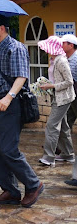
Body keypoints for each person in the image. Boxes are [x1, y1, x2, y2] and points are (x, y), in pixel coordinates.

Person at [0, 14, 43, 207]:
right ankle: (10, 191)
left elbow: (22, 76)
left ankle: (33, 184)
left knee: (8, 149)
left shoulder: (15, 48)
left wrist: (8, 97)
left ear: (2, 28)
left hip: (10, 103)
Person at [36, 36, 75, 166]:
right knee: (63, 127)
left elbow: (69, 82)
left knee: (51, 126)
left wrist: (51, 86)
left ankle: (49, 157)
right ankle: (68, 154)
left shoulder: (61, 61)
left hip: (63, 98)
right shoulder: (53, 60)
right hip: (57, 97)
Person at [60, 34, 77, 187]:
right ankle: (63, 150)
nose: (62, 45)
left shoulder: (75, 60)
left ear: (71, 45)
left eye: (64, 43)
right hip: (71, 97)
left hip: (74, 96)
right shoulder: (66, 59)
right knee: (65, 123)